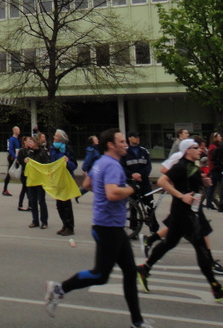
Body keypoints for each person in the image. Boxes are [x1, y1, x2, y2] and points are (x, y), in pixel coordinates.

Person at [43, 129, 150, 327]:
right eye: (122, 141)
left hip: (111, 225)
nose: (125, 144)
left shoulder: (101, 162)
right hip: (108, 227)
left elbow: (89, 183)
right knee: (100, 275)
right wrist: (131, 189)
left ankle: (137, 321)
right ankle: (59, 288)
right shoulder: (113, 166)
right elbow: (112, 193)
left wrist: (104, 194)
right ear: (111, 144)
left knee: (128, 272)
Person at [136, 138, 223, 301]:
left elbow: (193, 183)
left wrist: (204, 181)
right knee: (201, 248)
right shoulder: (181, 166)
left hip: (188, 211)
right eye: (195, 147)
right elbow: (163, 181)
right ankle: (216, 288)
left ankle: (144, 268)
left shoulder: (194, 166)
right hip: (184, 212)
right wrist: (181, 195)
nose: (199, 150)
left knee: (169, 243)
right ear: (187, 151)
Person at [122, 130, 152, 236]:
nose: (137, 139)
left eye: (138, 137)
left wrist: (140, 175)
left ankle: (154, 229)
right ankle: (133, 228)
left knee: (150, 205)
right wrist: (132, 174)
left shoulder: (144, 151)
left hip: (144, 182)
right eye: (135, 137)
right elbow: (122, 167)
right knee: (133, 207)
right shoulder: (124, 152)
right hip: (131, 182)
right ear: (130, 138)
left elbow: (148, 166)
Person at [48, 129, 77, 236]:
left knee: (66, 204)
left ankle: (70, 227)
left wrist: (68, 163)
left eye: (55, 136)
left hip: (66, 180)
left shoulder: (67, 149)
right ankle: (64, 224)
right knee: (59, 204)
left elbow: (74, 165)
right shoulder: (53, 149)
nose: (54, 137)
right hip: (57, 180)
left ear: (61, 138)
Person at [19, 134, 50, 228]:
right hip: (31, 180)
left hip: (40, 180)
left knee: (41, 201)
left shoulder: (42, 152)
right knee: (32, 201)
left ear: (36, 142)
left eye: (32, 141)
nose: (30, 143)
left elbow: (46, 164)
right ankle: (35, 220)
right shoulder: (29, 152)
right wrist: (25, 161)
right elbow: (23, 162)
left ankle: (44, 221)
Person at [77, 135, 102, 199]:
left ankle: (78, 194)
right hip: (93, 171)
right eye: (96, 139)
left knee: (92, 185)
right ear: (92, 141)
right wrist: (84, 169)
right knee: (96, 185)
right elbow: (87, 161)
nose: (97, 140)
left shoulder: (96, 149)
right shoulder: (91, 150)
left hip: (97, 170)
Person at [204, 132, 223, 210]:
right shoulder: (213, 147)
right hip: (215, 169)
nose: (220, 137)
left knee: (212, 187)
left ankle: (209, 203)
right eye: (219, 136)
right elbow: (214, 158)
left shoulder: (214, 146)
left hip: (213, 168)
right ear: (215, 138)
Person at [2, 125, 20, 197]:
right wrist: (15, 157)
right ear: (14, 131)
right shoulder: (12, 139)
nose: (19, 131)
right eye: (18, 130)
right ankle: (5, 189)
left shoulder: (17, 139)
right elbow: (10, 149)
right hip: (13, 158)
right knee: (9, 172)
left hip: (16, 157)